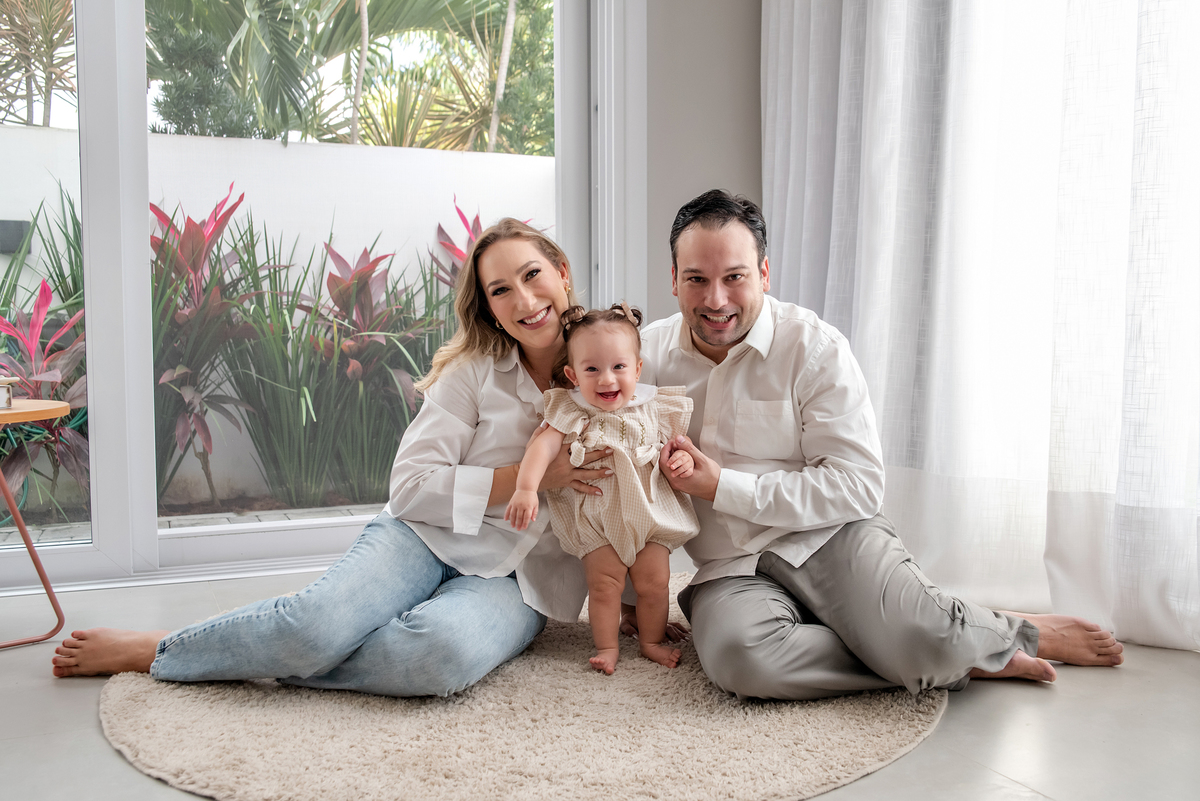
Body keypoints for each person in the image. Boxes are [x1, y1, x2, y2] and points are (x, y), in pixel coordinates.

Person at [50, 218, 621, 697]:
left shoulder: (618, 371)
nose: (524, 300)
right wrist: (529, 479)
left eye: (532, 275)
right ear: (490, 309)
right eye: (500, 290)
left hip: (521, 579)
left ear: (562, 272)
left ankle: (252, 650)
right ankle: (169, 647)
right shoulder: (473, 373)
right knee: (314, 627)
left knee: (437, 657)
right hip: (423, 536)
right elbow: (411, 488)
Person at [637, 189, 1125, 700]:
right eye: (697, 279)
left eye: (734, 277)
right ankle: (948, 651)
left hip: (828, 536)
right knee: (744, 662)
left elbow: (859, 485)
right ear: (674, 279)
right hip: (730, 566)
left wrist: (723, 487)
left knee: (918, 635)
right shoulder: (643, 359)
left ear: (763, 273)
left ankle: (989, 634)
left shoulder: (814, 347)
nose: (716, 300)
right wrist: (631, 596)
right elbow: (625, 484)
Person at [505, 303, 699, 674]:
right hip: (597, 517)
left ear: (637, 369)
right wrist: (526, 488)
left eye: (618, 367)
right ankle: (607, 646)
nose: (607, 380)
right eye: (592, 369)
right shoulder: (572, 410)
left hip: (649, 513)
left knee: (655, 584)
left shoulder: (654, 405)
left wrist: (683, 462)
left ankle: (651, 642)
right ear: (572, 374)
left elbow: (676, 448)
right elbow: (542, 447)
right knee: (604, 585)